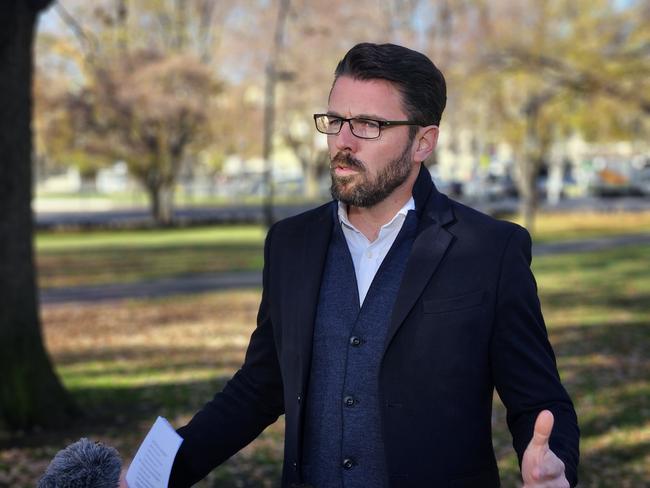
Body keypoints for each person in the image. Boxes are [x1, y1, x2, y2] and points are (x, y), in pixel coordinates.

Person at [159, 43, 579, 487]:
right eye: (336, 120)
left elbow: (539, 400)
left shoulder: (491, 250)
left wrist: (556, 469)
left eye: (369, 125)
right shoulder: (289, 244)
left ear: (423, 142)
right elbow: (260, 386)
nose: (343, 140)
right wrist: (157, 475)